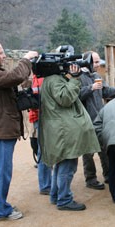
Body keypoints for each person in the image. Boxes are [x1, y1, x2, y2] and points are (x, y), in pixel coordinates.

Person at [0, 41, 38, 221]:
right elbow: (14, 77)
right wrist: (26, 60)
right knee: (1, 171)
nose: (3, 56)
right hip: (1, 130)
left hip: (1, 129)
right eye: (0, 53)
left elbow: (15, 80)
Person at [39, 64, 101, 211]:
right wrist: (74, 79)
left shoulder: (51, 79)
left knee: (61, 164)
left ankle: (56, 196)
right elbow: (65, 98)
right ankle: (64, 200)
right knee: (67, 166)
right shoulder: (55, 80)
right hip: (64, 130)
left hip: (61, 128)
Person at [79, 51, 115, 190]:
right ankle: (90, 179)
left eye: (99, 62)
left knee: (104, 149)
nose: (98, 65)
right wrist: (90, 88)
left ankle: (109, 176)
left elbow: (105, 91)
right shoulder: (78, 77)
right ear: (87, 62)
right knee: (88, 152)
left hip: (100, 120)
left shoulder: (96, 76)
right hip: (86, 121)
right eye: (96, 62)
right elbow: (76, 96)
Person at [28, 74, 52, 195]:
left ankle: (47, 183)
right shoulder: (42, 79)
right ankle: (46, 185)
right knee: (44, 151)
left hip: (39, 118)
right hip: (44, 118)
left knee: (44, 150)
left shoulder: (36, 78)